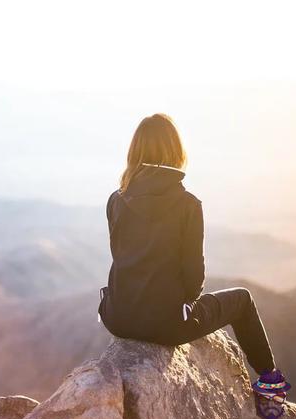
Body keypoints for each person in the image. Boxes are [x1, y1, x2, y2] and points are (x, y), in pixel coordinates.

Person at [97, 113, 285, 383]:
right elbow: (194, 278)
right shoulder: (188, 205)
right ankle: (270, 382)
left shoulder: (116, 199)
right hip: (166, 325)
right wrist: (180, 305)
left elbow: (123, 256)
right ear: (176, 151)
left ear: (134, 152)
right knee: (242, 299)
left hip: (117, 317)